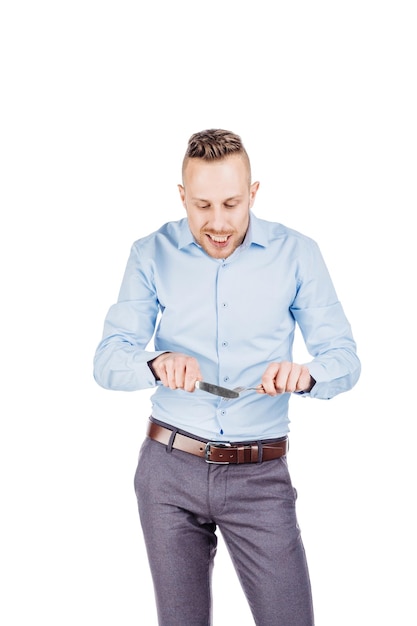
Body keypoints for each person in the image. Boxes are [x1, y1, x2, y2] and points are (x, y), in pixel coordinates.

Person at [93, 129, 361, 626]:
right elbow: (108, 360)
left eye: (231, 204)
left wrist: (304, 375)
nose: (217, 223)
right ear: (182, 198)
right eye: (202, 206)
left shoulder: (297, 253)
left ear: (254, 194)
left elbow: (344, 359)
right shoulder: (150, 253)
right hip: (168, 471)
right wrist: (155, 363)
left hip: (260, 476)